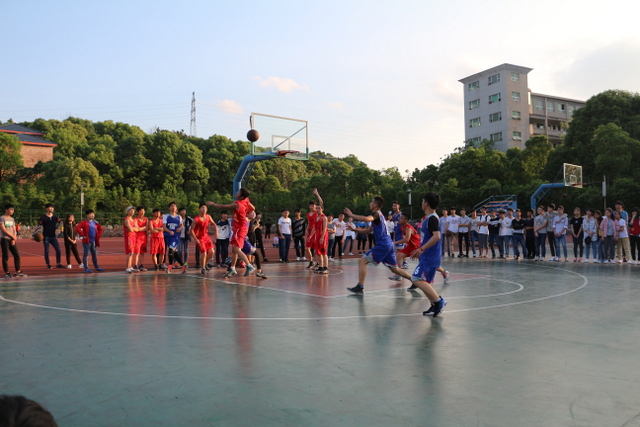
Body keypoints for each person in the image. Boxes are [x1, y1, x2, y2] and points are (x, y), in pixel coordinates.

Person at [344, 196, 415, 295]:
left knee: (362, 261)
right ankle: (414, 281)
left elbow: (366, 218)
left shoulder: (376, 214)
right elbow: (368, 231)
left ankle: (360, 286)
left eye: (371, 202)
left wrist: (352, 215)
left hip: (383, 244)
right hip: (388, 244)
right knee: (395, 269)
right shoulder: (379, 216)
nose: (370, 203)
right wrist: (354, 229)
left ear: (375, 205)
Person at [409, 192, 448, 317]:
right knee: (427, 282)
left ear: (426, 203)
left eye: (422, 201)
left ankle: (439, 301)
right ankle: (434, 305)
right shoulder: (428, 218)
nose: (421, 204)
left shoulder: (432, 218)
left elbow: (437, 236)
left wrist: (422, 249)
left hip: (430, 256)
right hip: (428, 255)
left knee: (416, 278)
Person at [207, 187, 256, 278]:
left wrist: (213, 204)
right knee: (234, 249)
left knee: (237, 249)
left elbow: (223, 206)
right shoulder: (246, 200)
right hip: (240, 227)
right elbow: (253, 208)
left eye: (239, 192)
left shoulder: (237, 204)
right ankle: (232, 268)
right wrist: (244, 213)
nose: (237, 193)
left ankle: (249, 266)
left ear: (241, 196)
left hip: (240, 228)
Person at [389, 212, 449, 285]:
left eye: (401, 218)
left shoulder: (408, 228)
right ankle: (399, 274)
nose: (399, 219)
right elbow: (408, 238)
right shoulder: (402, 227)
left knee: (427, 263)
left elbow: (407, 239)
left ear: (406, 220)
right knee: (398, 256)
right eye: (399, 217)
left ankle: (444, 272)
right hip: (410, 247)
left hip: (417, 247)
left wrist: (394, 242)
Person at [1, 204, 26, 278]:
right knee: (6, 256)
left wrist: (14, 238)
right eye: (11, 210)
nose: (12, 211)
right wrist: (12, 236)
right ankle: (7, 273)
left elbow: (14, 229)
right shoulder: (2, 218)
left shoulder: (12, 219)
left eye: (13, 210)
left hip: (12, 239)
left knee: (17, 255)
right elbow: (3, 229)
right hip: (4, 239)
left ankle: (17, 271)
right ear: (6, 210)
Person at [192, 203, 215, 275]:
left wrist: (216, 232)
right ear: (199, 209)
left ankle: (205, 264)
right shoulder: (196, 219)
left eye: (205, 208)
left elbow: (214, 224)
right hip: (200, 238)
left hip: (207, 237)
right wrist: (195, 239)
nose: (204, 209)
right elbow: (191, 230)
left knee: (212, 252)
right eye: (202, 208)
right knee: (204, 253)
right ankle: (203, 268)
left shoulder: (208, 217)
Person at [39, 203, 64, 269]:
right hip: (46, 236)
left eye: (52, 207)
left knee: (58, 250)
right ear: (46, 209)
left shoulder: (55, 217)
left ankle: (58, 263)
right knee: (47, 251)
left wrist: (57, 227)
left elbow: (61, 222)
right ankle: (48, 264)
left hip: (53, 236)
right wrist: (35, 234)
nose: (52, 209)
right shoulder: (43, 217)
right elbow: (39, 226)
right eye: (50, 207)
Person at [163, 202, 185, 271]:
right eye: (172, 206)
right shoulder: (166, 216)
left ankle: (170, 266)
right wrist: (169, 231)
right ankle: (183, 265)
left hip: (175, 236)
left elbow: (182, 225)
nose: (173, 207)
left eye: (174, 206)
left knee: (171, 249)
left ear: (176, 208)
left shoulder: (179, 217)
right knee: (174, 252)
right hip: (168, 236)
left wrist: (180, 228)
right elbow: (164, 227)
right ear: (169, 208)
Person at [305, 189, 323, 269]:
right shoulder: (308, 214)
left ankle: (318, 263)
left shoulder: (317, 212)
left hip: (316, 232)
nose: (311, 207)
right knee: (307, 248)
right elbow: (309, 223)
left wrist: (317, 194)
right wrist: (306, 229)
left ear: (315, 206)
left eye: (313, 206)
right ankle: (311, 262)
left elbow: (321, 202)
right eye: (310, 206)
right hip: (309, 231)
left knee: (316, 248)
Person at [123, 206, 140, 274]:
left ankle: (130, 267)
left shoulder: (134, 220)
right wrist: (133, 228)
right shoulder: (126, 219)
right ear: (127, 211)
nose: (132, 212)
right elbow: (130, 229)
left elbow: (137, 229)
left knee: (132, 252)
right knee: (130, 252)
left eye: (133, 210)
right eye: (130, 210)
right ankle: (127, 267)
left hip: (134, 237)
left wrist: (133, 228)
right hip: (129, 237)